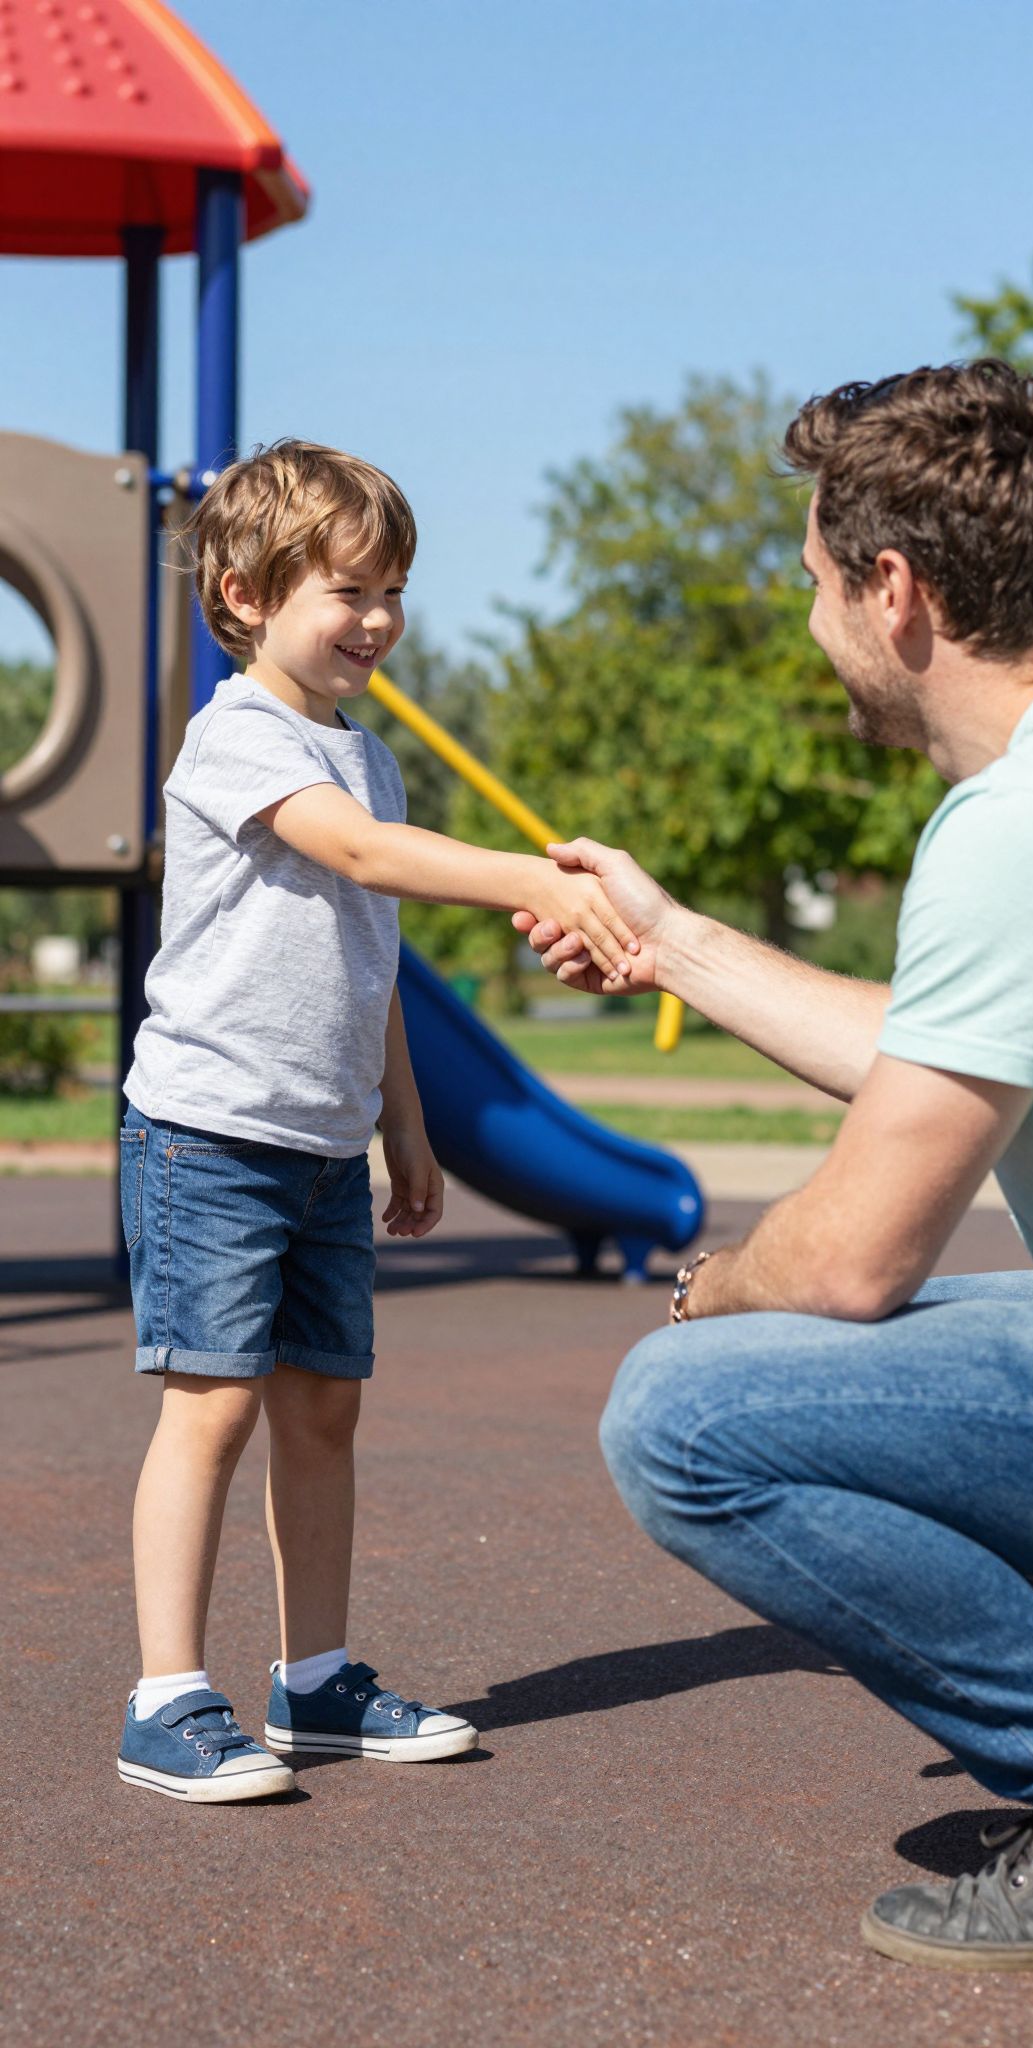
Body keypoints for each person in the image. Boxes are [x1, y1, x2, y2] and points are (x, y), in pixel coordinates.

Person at [514, 361, 1033, 1971]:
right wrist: (672, 943)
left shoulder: (1028, 823)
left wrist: (713, 1290)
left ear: (896, 590)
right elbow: (951, 1045)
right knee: (961, 1345)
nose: (810, 624)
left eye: (813, 583)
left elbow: (859, 1260)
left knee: (686, 1416)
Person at [117, 438, 639, 1803]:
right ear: (245, 596)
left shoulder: (372, 759)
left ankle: (316, 1680)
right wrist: (533, 879)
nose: (378, 619)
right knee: (212, 1407)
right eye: (347, 590)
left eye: (392, 590)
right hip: (209, 1135)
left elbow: (374, 959)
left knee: (325, 1410)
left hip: (320, 1145)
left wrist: (404, 1123)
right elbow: (353, 854)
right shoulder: (239, 734)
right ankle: (166, 1696)